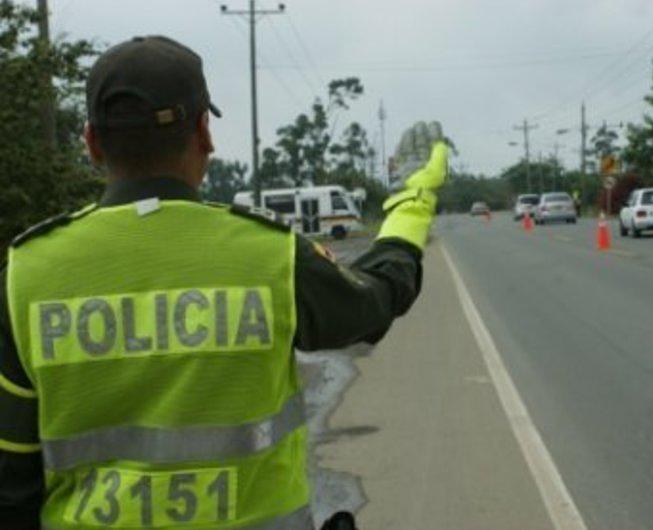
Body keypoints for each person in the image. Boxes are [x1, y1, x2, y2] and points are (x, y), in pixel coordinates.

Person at [0, 36, 447, 530]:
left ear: (91, 144)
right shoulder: (270, 255)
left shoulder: (26, 276)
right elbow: (377, 299)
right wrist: (412, 206)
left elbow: (11, 479)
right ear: (203, 133)